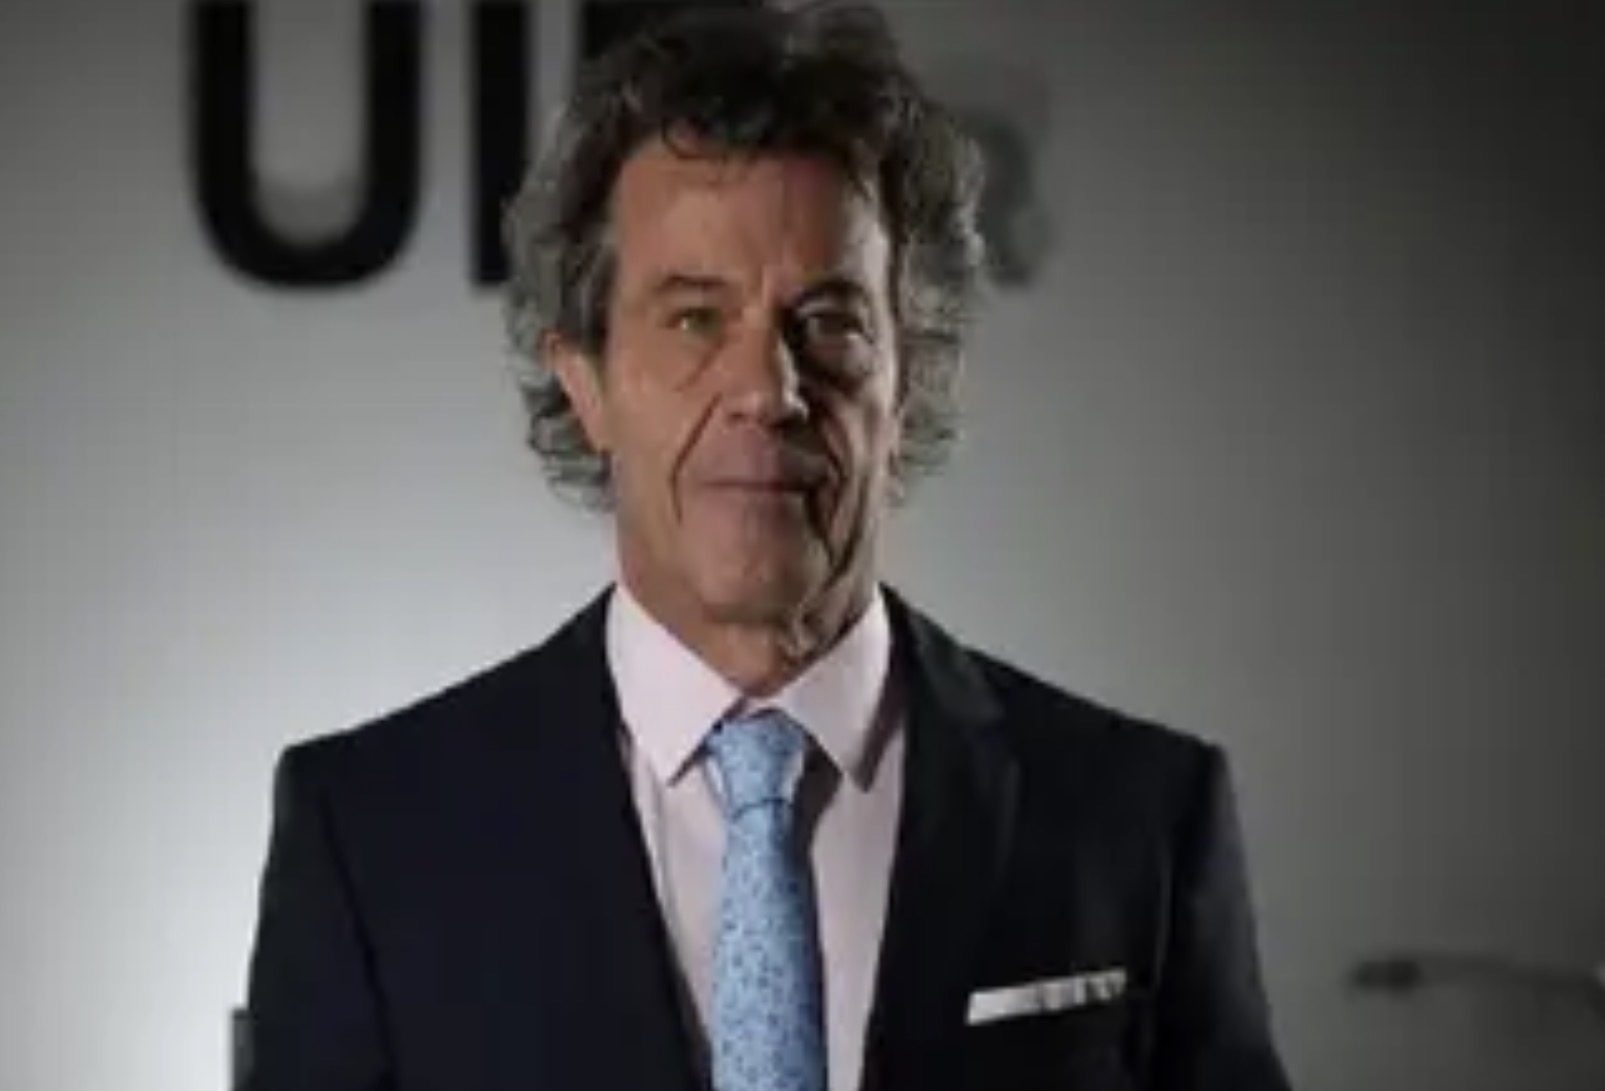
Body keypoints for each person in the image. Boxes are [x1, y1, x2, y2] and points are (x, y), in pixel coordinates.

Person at [241, 3, 1293, 1089]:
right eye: (695, 318)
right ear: (585, 384)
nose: (766, 389)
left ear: (909, 380)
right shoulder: (373, 834)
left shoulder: (1135, 816)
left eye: (829, 322)